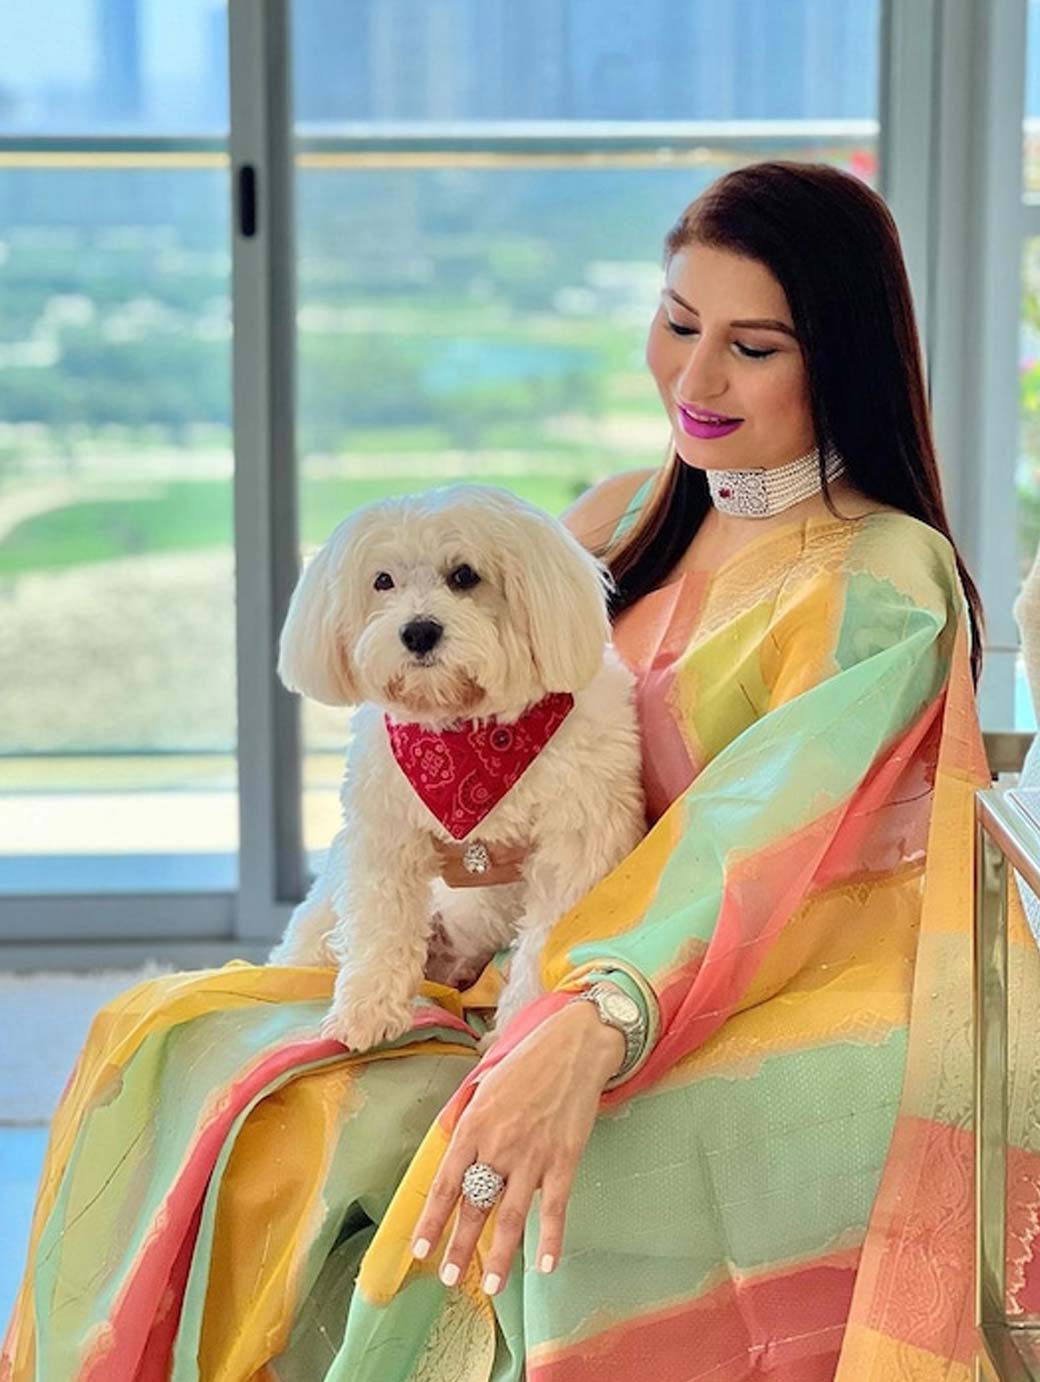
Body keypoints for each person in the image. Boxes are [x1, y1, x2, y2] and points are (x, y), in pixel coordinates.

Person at [5, 159, 1038, 1382]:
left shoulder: (880, 577)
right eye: (676, 323)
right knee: (160, 1036)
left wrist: (595, 1017)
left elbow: (757, 840)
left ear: (841, 358)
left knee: (321, 1123)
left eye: (751, 347)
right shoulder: (624, 513)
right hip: (528, 950)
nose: (693, 380)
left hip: (732, 979)